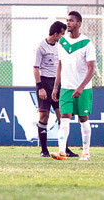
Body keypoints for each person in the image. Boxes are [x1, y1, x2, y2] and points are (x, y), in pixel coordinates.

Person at [51, 11, 96, 161]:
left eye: (71, 20)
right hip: (66, 88)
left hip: (83, 88)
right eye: (67, 20)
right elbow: (60, 65)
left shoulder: (87, 43)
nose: (68, 23)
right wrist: (56, 87)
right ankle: (62, 152)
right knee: (64, 118)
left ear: (79, 23)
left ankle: (86, 152)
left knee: (83, 119)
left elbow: (91, 69)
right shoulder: (62, 42)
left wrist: (81, 87)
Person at [33, 21, 78, 158]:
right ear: (55, 34)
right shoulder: (41, 47)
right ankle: (44, 150)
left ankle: (64, 149)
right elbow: (35, 68)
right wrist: (40, 87)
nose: (63, 36)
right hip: (45, 83)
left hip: (59, 84)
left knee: (63, 117)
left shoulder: (60, 47)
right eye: (62, 34)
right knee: (44, 116)